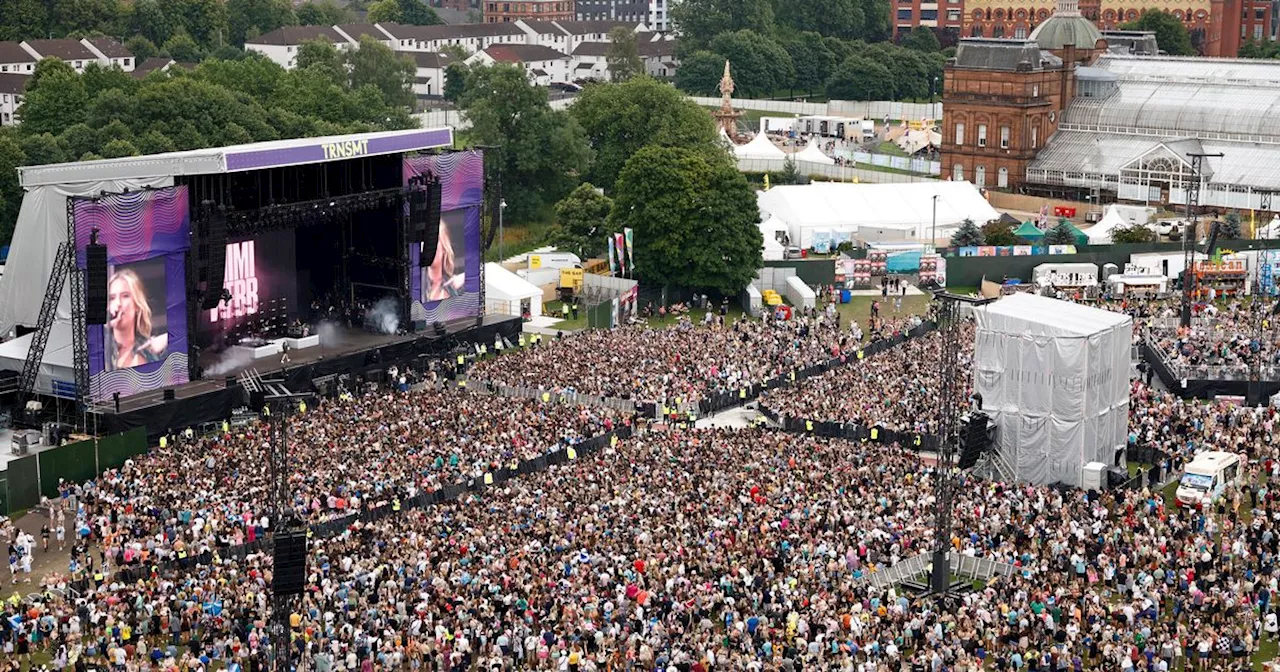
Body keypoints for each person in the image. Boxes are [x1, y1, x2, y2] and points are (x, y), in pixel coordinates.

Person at [104, 268, 167, 371]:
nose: (118, 304)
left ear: (137, 305)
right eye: (112, 298)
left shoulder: (150, 350)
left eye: (125, 296)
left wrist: (166, 338)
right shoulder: (100, 347)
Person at [423, 222, 466, 302]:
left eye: (435, 241)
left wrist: (464, 277)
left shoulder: (454, 286)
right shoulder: (417, 284)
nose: (430, 246)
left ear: (444, 247)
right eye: (427, 241)